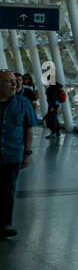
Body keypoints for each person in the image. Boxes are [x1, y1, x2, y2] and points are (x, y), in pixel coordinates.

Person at [0, 70, 38, 240]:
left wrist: (27, 152)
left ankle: (5, 224)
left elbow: (28, 129)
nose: (14, 84)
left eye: (15, 81)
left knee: (8, 190)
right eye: (9, 81)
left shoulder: (23, 103)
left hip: (12, 154)